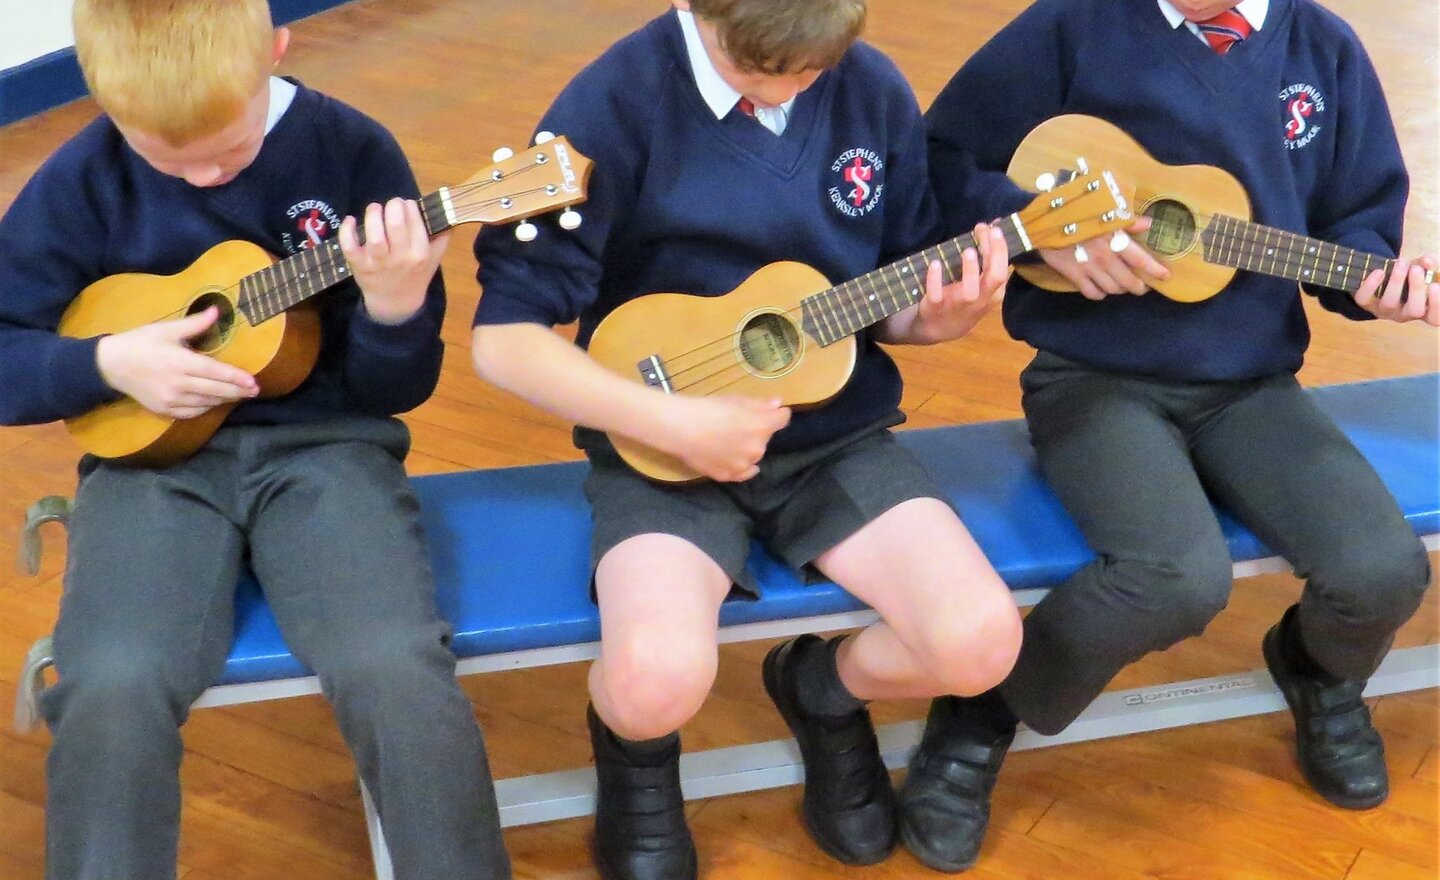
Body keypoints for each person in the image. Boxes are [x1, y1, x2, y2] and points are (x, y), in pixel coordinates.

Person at [470, 1, 1023, 876]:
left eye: (812, 71)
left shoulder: (868, 86)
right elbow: (503, 340)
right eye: (762, 68)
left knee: (979, 644)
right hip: (660, 443)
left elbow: (893, 300)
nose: (793, 88)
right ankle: (637, 762)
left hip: (834, 437)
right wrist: (672, 423)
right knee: (656, 683)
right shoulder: (608, 105)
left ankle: (823, 692)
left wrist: (939, 318)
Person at [915, 0, 1439, 871]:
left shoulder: (1322, 49)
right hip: (1090, 378)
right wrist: (1036, 225)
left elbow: (1354, 221)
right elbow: (943, 159)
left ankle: (1317, 670)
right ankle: (982, 715)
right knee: (1173, 579)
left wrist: (1370, 278)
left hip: (1251, 385)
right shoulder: (1072, 26)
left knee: (1381, 568)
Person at [0, 1, 511, 877]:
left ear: (276, 50)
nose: (201, 178)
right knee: (109, 679)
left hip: (327, 449)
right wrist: (109, 364)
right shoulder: (84, 176)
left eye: (227, 153)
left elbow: (398, 389)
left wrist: (394, 310)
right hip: (149, 469)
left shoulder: (352, 153)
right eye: (167, 157)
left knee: (393, 665)